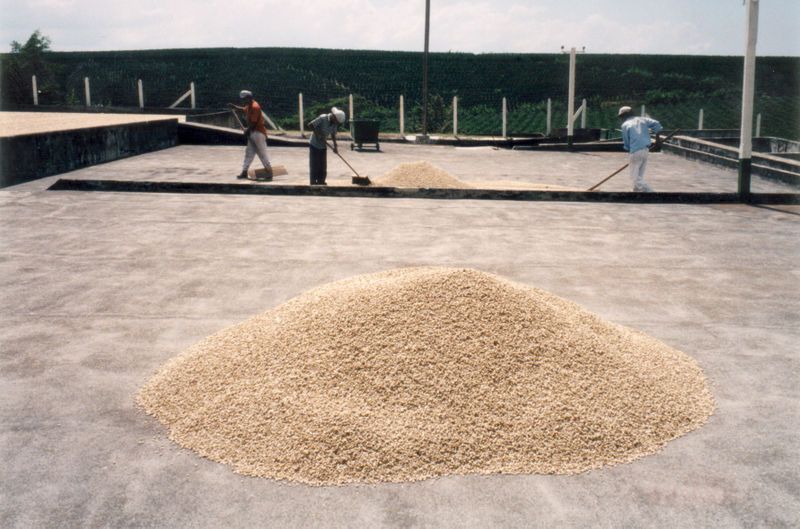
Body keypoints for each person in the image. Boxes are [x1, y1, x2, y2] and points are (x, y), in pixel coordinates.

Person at [228, 90, 272, 180]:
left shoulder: (255, 107)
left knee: (262, 153)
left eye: (244, 99)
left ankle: (269, 172)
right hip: (253, 133)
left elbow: (254, 123)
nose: (243, 101)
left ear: (249, 97)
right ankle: (244, 172)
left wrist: (247, 130)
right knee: (249, 153)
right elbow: (243, 110)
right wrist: (234, 107)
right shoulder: (249, 105)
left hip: (258, 133)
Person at [619, 105, 663, 192]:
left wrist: (629, 150)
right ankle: (636, 190)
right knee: (640, 174)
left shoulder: (625, 125)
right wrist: (658, 140)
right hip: (646, 149)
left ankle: (650, 192)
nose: (621, 118)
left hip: (635, 150)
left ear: (625, 115)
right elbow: (657, 124)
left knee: (634, 175)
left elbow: (626, 141)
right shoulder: (643, 119)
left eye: (621, 116)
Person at [307, 107, 346, 185]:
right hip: (314, 144)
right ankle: (313, 181)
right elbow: (310, 125)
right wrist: (318, 134)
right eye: (337, 121)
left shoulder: (334, 124)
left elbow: (333, 135)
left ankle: (321, 181)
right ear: (334, 117)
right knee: (315, 163)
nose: (337, 123)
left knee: (322, 164)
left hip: (323, 145)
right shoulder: (323, 118)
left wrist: (335, 146)